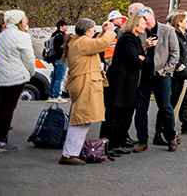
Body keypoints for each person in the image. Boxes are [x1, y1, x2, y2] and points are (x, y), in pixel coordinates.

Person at [60, 17, 117, 165]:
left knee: (82, 119)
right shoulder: (82, 42)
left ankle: (72, 152)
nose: (94, 32)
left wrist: (103, 32)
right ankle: (69, 153)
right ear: (87, 31)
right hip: (85, 83)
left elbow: (94, 44)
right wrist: (110, 32)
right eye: (93, 30)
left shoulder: (78, 42)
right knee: (81, 120)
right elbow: (101, 44)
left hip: (83, 82)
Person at [134, 6, 179, 152]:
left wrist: (166, 71)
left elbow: (174, 54)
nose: (144, 23)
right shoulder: (139, 32)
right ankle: (142, 141)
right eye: (142, 20)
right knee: (141, 108)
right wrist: (145, 46)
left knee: (165, 107)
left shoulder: (168, 31)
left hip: (161, 74)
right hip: (144, 75)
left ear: (153, 16)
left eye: (146, 19)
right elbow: (135, 52)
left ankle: (171, 138)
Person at [0, 9, 35, 152]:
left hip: (0, 76)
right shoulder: (22, 36)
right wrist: (31, 72)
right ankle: (2, 141)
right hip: (15, 77)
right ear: (19, 21)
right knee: (8, 109)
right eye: (25, 18)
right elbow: (29, 58)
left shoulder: (1, 35)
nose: (26, 20)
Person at [102, 14, 146, 154]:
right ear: (135, 25)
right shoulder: (127, 39)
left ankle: (116, 142)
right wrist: (139, 59)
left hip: (128, 81)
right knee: (114, 113)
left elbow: (139, 57)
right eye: (143, 23)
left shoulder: (136, 39)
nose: (145, 26)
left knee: (123, 113)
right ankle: (107, 144)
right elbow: (135, 60)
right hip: (120, 82)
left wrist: (140, 58)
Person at [167, 10, 187, 137]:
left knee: (184, 99)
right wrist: (180, 66)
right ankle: (169, 128)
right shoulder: (174, 35)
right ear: (179, 23)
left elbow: (185, 51)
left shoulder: (182, 35)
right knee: (175, 101)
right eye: (186, 21)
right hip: (179, 74)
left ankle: (186, 124)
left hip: (186, 72)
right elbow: (174, 52)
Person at [48, 19, 70, 100]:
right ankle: (56, 95)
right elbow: (64, 48)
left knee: (54, 77)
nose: (67, 26)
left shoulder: (54, 35)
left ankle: (51, 95)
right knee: (59, 78)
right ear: (61, 27)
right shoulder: (61, 36)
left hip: (54, 59)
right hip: (61, 59)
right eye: (65, 25)